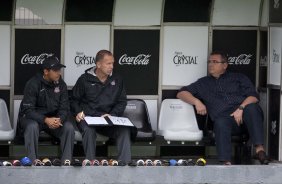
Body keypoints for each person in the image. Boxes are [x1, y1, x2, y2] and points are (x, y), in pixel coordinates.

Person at [177, 51, 267, 165]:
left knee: (252, 108)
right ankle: (226, 162)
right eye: (209, 62)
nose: (211, 64)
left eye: (215, 62)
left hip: (245, 117)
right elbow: (181, 93)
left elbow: (254, 96)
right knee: (220, 122)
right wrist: (196, 101)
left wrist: (241, 108)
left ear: (224, 65)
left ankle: (260, 150)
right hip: (226, 120)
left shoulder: (238, 78)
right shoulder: (203, 83)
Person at [71, 50, 131, 165]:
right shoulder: (84, 79)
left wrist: (112, 114)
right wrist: (78, 112)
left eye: (112, 63)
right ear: (98, 64)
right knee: (89, 131)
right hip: (88, 118)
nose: (111, 67)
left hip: (107, 118)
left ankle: (125, 164)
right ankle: (91, 163)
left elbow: (122, 101)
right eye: (108, 64)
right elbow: (74, 100)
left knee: (124, 130)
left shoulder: (117, 79)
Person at [18, 56, 75, 166]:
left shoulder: (61, 84)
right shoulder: (33, 83)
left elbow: (64, 108)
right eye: (55, 70)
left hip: (53, 120)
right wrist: (45, 119)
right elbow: (28, 110)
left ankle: (66, 161)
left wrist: (59, 120)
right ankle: (33, 161)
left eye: (59, 70)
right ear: (46, 71)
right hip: (33, 119)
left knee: (68, 127)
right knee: (32, 126)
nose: (59, 73)